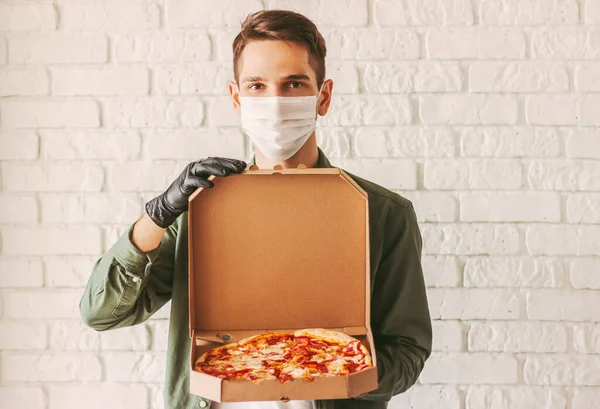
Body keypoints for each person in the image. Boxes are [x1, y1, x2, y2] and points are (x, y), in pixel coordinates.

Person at [80, 9, 432, 409]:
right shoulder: (197, 211)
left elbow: (407, 353)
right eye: (257, 86)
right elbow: (101, 313)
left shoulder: (383, 214)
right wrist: (157, 215)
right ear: (236, 98)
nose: (275, 100)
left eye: (294, 83)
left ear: (324, 96)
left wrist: (323, 367)